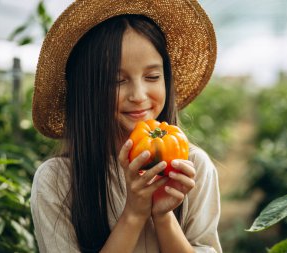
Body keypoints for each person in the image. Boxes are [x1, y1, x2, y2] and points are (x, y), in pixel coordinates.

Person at [30, 0, 221, 252]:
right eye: (117, 81)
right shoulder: (57, 182)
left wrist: (164, 217)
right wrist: (133, 214)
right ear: (87, 90)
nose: (139, 95)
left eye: (152, 76)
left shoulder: (192, 167)